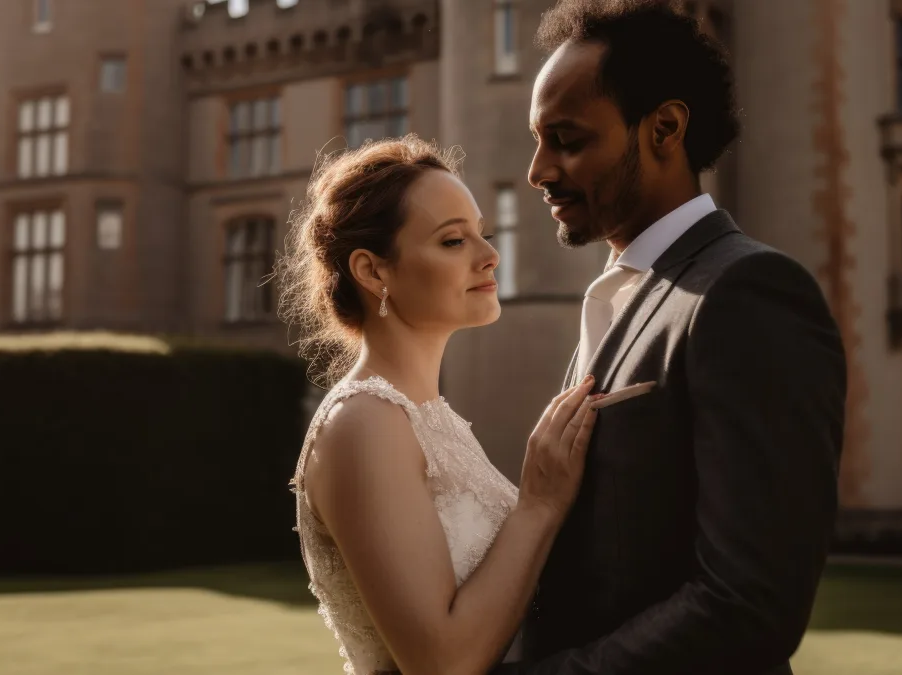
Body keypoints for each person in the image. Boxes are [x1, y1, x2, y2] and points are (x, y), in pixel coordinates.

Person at [489, 1, 848, 674]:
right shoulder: (625, 291)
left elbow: (747, 603)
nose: (539, 170)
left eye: (566, 139)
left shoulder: (749, 294)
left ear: (665, 129)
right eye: (539, 141)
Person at [278, 134, 602, 675]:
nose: (490, 255)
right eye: (454, 241)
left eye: (484, 233)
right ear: (373, 271)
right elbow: (441, 663)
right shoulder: (364, 422)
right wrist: (539, 504)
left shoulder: (426, 418)